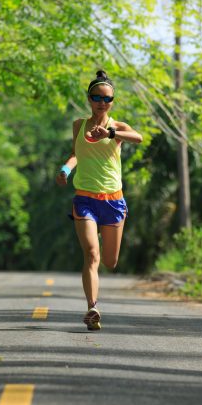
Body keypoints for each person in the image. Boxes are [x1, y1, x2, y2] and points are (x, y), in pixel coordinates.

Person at [55, 70, 143, 331]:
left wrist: (111, 133)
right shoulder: (78, 125)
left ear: (112, 101)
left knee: (110, 261)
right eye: (96, 97)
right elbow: (75, 154)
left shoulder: (119, 127)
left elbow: (138, 138)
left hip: (113, 201)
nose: (101, 102)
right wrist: (66, 170)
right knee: (91, 254)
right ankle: (92, 307)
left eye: (106, 98)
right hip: (85, 199)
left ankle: (94, 301)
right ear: (89, 99)